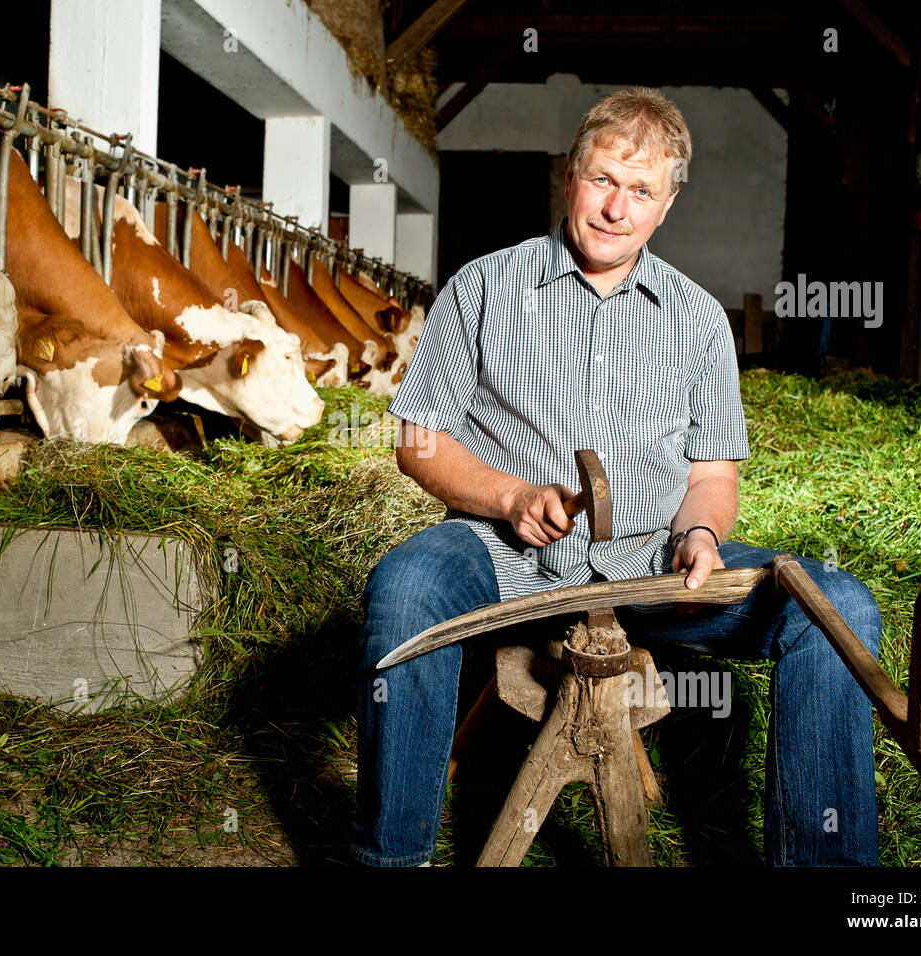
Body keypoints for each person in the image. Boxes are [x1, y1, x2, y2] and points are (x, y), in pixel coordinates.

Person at [351, 88, 882, 867]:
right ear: (570, 177)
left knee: (837, 606)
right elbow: (418, 441)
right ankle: (391, 859)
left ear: (665, 207)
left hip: (651, 565)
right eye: (603, 180)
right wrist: (510, 496)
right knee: (406, 587)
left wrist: (701, 531)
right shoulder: (483, 288)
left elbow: (711, 474)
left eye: (641, 191)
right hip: (507, 554)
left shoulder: (698, 320)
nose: (615, 208)